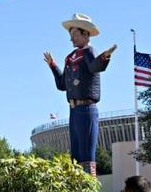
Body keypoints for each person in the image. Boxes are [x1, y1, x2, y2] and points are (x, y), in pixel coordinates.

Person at [44, 13, 116, 175]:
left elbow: (94, 67)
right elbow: (62, 85)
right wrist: (53, 66)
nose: (72, 39)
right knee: (75, 154)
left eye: (75, 34)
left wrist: (105, 57)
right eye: (71, 35)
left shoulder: (89, 52)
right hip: (73, 110)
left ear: (86, 34)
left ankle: (89, 186)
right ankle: (77, 187)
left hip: (86, 108)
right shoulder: (70, 58)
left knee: (86, 154)